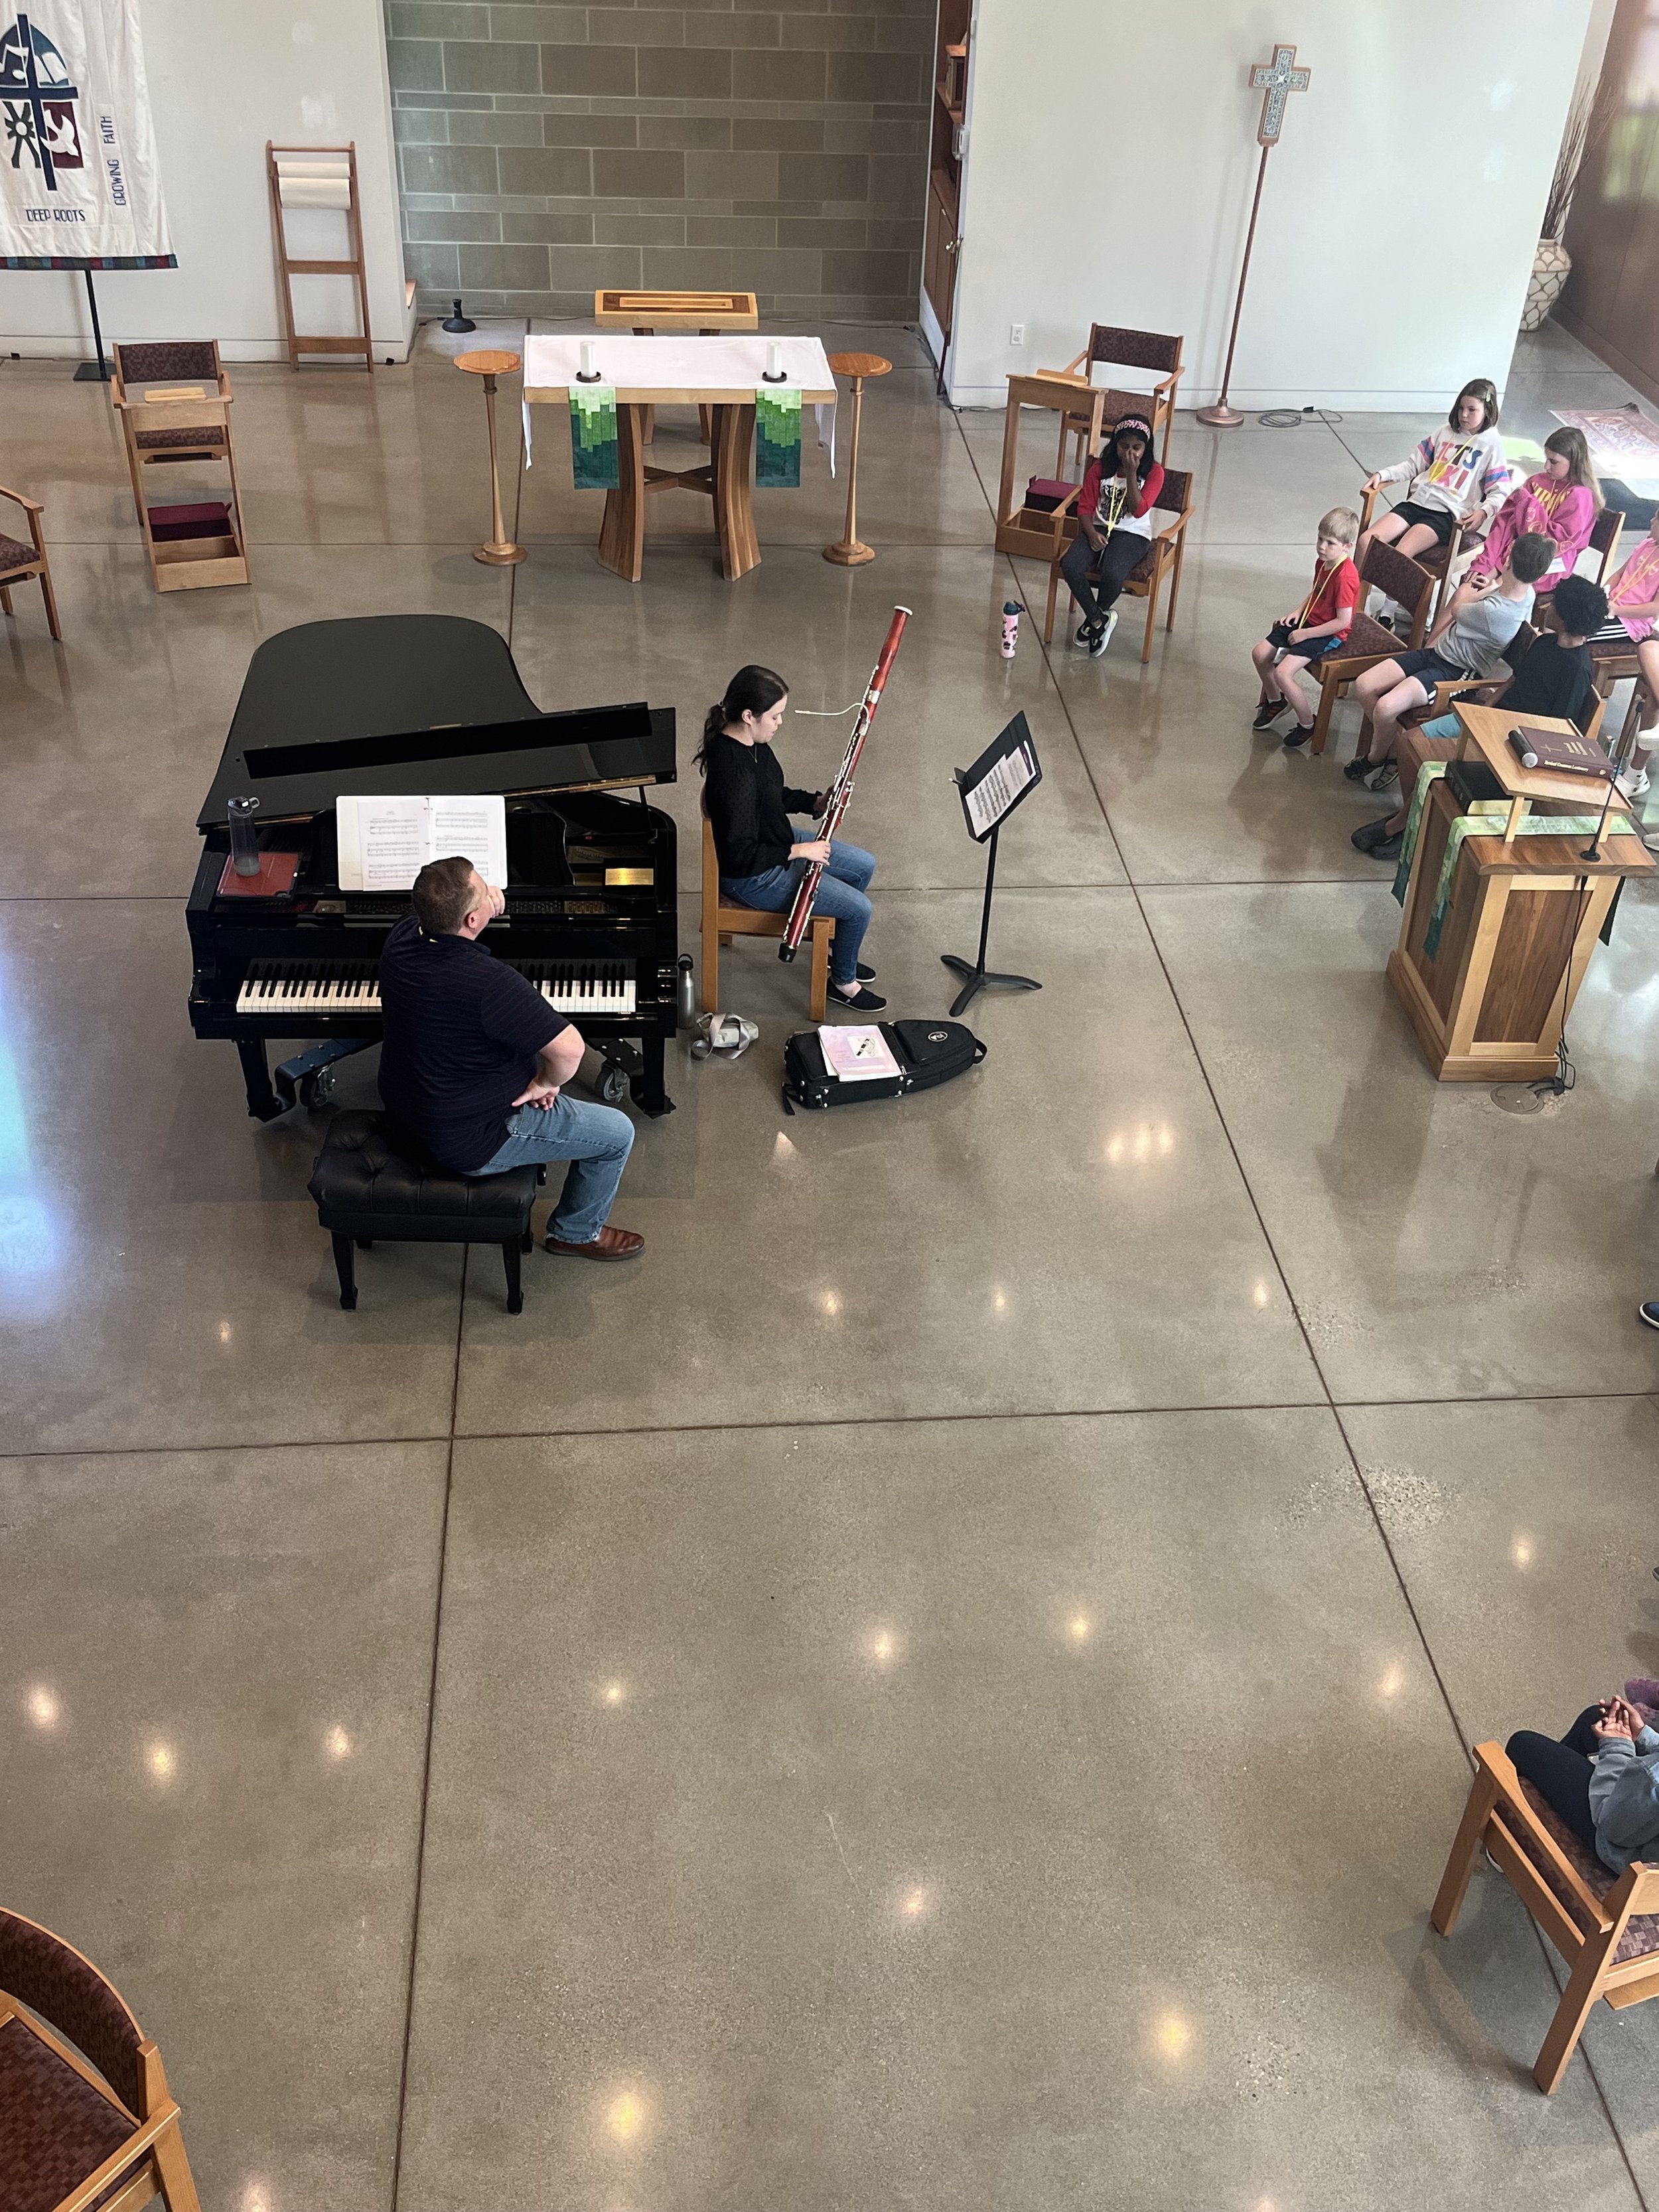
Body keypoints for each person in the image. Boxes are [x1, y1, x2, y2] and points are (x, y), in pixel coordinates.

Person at [376, 855, 644, 1260]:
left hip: (404, 1108)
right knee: (617, 1134)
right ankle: (575, 1234)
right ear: (471, 920)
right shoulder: (490, 983)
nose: (492, 893)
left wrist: (484, 900)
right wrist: (545, 1083)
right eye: (485, 891)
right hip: (471, 1139)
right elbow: (570, 1050)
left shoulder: (403, 935)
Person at [1350, 576, 1608, 861]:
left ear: (1567, 615)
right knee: (1409, 743)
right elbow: (1513, 681)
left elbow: (1557, 731)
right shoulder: (1545, 643)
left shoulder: (1577, 671)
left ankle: (1400, 825)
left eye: (1555, 604)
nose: (1548, 607)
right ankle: (1414, 817)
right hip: (1489, 719)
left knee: (1432, 769)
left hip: (1515, 744)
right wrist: (1482, 711)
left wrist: (1497, 730)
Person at [699, 664, 886, 1013]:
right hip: (752, 876)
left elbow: (772, 795)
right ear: (748, 715)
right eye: (775, 716)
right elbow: (740, 856)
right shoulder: (735, 772)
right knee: (859, 910)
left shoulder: (751, 743)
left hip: (774, 840)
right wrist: (800, 851)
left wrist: (815, 803)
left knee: (864, 865)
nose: (780, 723)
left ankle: (838, 952)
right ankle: (843, 982)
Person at [1342, 530, 1556, 790]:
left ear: (1508, 560)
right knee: (1364, 684)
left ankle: (1376, 757)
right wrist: (1491, 589)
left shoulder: (1492, 611)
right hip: (1438, 654)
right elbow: (1487, 597)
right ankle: (1392, 754)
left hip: (1458, 672)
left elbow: (1457, 606)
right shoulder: (1527, 593)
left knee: (1386, 707)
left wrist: (1479, 591)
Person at [1354, 378, 1510, 575]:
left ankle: (1392, 597)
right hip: (1416, 503)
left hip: (1445, 514)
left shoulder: (1491, 445)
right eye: (1461, 408)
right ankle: (1351, 593)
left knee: (1400, 554)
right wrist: (1383, 474)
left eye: (1472, 410)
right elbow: (1413, 465)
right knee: (1365, 541)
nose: (1464, 415)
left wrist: (1484, 512)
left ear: (1487, 411)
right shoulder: (1444, 432)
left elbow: (1501, 491)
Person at [1506, 1695, 1659, 1874]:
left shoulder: (1653, 1778)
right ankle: (1540, 1797)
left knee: (1523, 1744)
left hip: (1621, 1852)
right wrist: (1643, 1735)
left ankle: (1508, 1828)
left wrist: (1616, 1748)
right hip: (1637, 1826)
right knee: (1594, 1718)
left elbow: (1611, 1825)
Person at [1250, 508, 1360, 746]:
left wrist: (1305, 634)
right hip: (1309, 620)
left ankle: (1308, 724)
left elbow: (1343, 621)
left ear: (1347, 546)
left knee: (1283, 673)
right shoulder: (1324, 562)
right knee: (1260, 654)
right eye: (1320, 539)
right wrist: (1298, 612)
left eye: (1330, 543)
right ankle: (1276, 701)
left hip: (1329, 633)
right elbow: (1316, 592)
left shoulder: (1345, 577)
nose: (1322, 547)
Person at [1059, 410, 1165, 657]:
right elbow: (1085, 507)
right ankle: (1098, 620)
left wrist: (1131, 473)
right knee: (1071, 565)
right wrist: (1090, 533)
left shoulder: (1154, 472)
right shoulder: (1101, 468)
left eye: (1137, 448)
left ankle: (1092, 621)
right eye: (1124, 446)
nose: (1130, 453)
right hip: (1098, 527)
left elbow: (1138, 510)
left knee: (1112, 574)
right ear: (1115, 444)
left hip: (1133, 534)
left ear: (1146, 448)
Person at [1465, 425, 1601, 595]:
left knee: (1490, 594)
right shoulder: (1536, 481)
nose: (1546, 467)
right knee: (1467, 591)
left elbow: (1555, 543)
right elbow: (1505, 525)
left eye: (1554, 462)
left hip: (1545, 564)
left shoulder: (1581, 495)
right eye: (1547, 459)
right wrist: (1486, 561)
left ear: (1574, 462)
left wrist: (1527, 503)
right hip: (1515, 552)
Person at [1591, 510, 1659, 803]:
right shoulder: (1647, 544)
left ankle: (1634, 774)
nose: (1651, 522)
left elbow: (1654, 609)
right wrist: (1604, 592)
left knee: (1583, 633)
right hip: (1618, 612)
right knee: (1573, 617)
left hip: (1632, 622)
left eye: (1656, 519)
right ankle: (1635, 774)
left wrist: (1616, 610)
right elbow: (1621, 573)